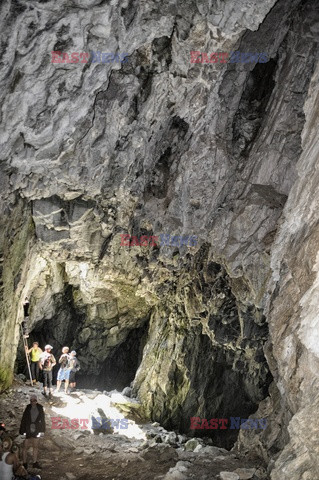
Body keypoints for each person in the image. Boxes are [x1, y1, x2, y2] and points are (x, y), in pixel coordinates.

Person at [19, 395, 45, 470]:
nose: (33, 402)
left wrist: (42, 430)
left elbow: (42, 420)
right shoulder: (28, 408)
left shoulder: (40, 408)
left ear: (36, 401)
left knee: (35, 446)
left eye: (34, 400)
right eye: (31, 401)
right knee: (25, 447)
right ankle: (24, 463)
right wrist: (22, 431)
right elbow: (23, 419)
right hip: (28, 429)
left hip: (36, 429)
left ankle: (34, 462)